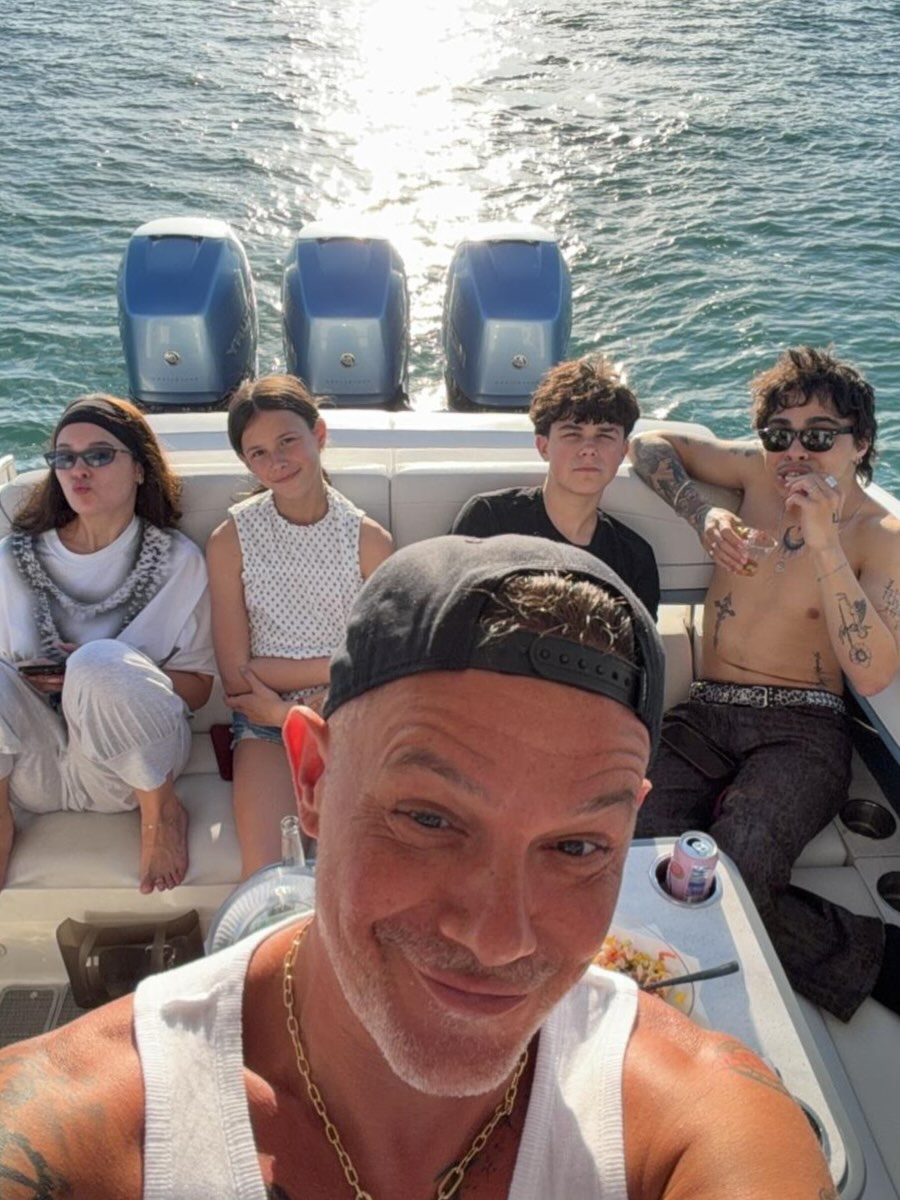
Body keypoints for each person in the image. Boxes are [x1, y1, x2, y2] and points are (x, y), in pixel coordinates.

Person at [0, 535, 835, 1199]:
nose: (498, 938)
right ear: (314, 781)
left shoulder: (692, 1120)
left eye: (577, 846)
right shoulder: (85, 1124)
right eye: (430, 819)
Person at [628, 345, 900, 1023]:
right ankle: (853, 953)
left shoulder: (880, 536)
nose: (795, 452)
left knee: (741, 862)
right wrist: (702, 512)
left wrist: (825, 539)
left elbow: (872, 671)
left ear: (861, 443)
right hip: (706, 712)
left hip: (805, 729)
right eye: (780, 435)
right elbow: (648, 443)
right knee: (633, 841)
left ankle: (867, 958)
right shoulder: (754, 471)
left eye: (819, 436)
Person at [0, 394, 215, 895]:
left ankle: (163, 815)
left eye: (98, 455)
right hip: (34, 769)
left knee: (98, 662)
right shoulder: (11, 557)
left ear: (139, 468)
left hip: (129, 770)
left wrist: (100, 678)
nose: (79, 470)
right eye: (64, 457)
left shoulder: (176, 561)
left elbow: (201, 687)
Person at [206, 374, 393, 877]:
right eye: (258, 453)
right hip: (263, 723)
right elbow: (238, 676)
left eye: (288, 441)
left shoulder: (369, 541)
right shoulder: (230, 540)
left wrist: (308, 697)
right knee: (270, 877)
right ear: (247, 462)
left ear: (319, 435)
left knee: (355, 875)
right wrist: (334, 669)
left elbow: (384, 666)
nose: (277, 460)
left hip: (349, 716)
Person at [451, 353, 660, 617]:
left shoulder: (634, 557)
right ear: (543, 446)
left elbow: (638, 642)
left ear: (623, 451)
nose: (589, 449)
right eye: (572, 434)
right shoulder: (489, 520)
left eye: (605, 435)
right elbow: (452, 621)